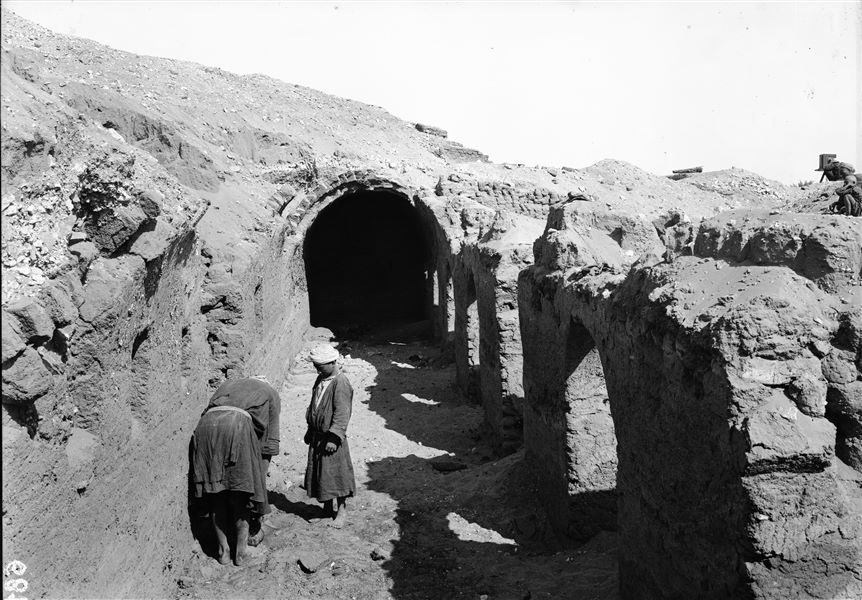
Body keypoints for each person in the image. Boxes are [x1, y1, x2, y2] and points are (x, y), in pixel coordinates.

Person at [191, 375, 281, 566]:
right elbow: (269, 444)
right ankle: (241, 552)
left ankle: (223, 551)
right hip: (236, 425)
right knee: (242, 494)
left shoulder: (228, 385)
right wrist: (257, 483)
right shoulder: (271, 393)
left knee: (215, 492)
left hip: (205, 427)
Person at [303, 345, 356, 528]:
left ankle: (341, 511)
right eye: (316, 365)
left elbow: (342, 412)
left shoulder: (340, 383)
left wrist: (334, 437)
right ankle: (326, 509)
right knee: (322, 474)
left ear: (333, 363)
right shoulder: (320, 379)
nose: (317, 369)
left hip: (331, 438)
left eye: (321, 365)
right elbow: (314, 405)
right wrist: (310, 428)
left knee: (337, 474)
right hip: (318, 436)